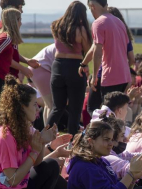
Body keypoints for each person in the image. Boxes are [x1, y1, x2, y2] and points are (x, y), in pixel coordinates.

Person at [47, 1, 92, 136]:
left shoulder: (56, 26)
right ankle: (72, 141)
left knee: (57, 108)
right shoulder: (81, 29)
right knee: (74, 109)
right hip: (75, 67)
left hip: (58, 66)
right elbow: (88, 49)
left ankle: (43, 136)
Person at [84, 6, 135, 115]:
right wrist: (124, 69)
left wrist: (91, 70)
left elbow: (95, 51)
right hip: (122, 76)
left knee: (95, 108)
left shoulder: (102, 28)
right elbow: (132, 59)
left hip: (105, 74)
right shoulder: (123, 31)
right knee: (115, 109)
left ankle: (99, 130)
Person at [28, 44, 56, 125]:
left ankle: (47, 132)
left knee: (48, 104)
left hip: (38, 66)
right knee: (51, 104)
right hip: (40, 67)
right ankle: (49, 133)